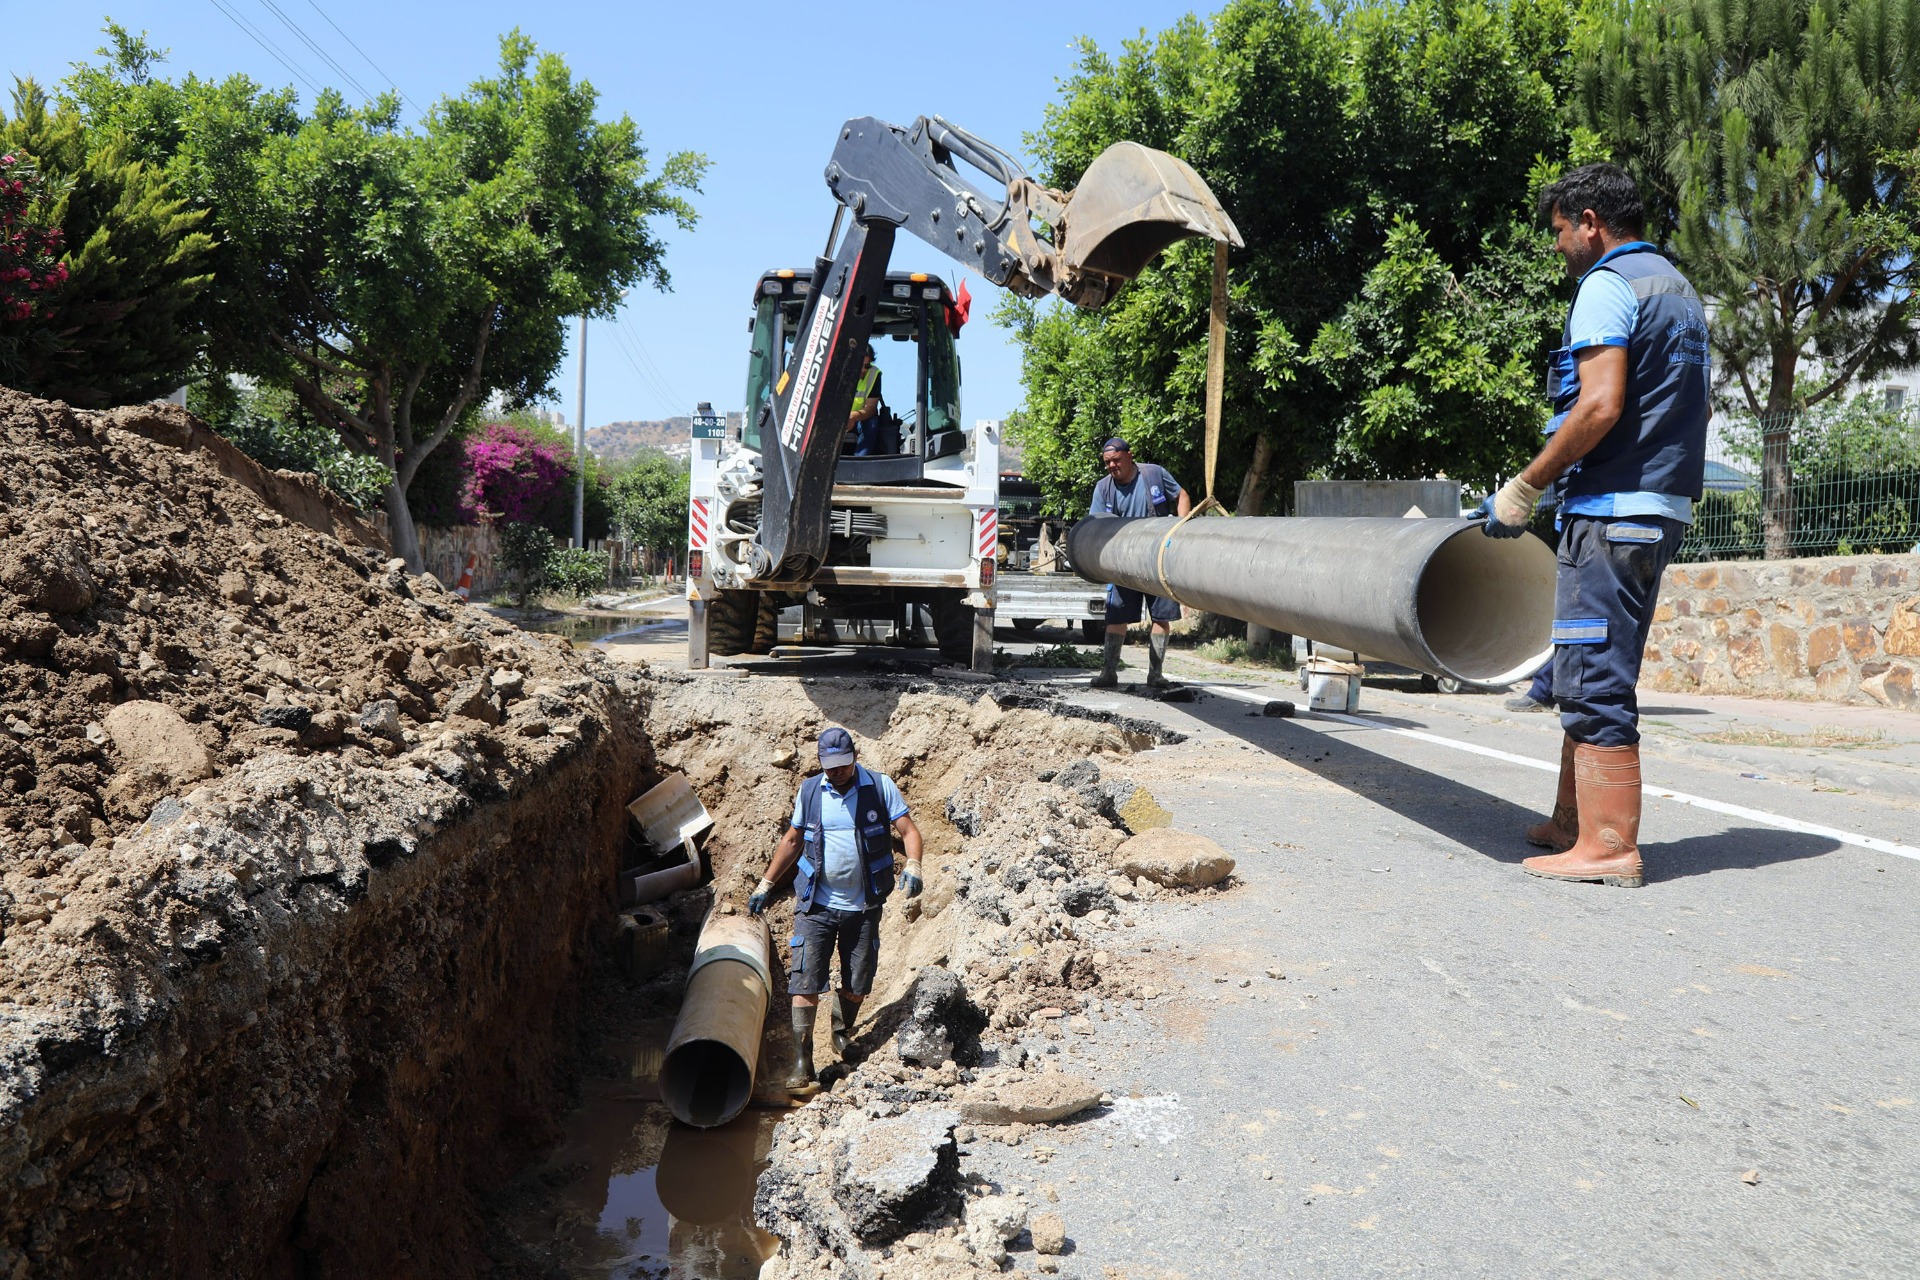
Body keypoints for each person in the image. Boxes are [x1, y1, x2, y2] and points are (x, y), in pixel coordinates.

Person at [1479, 162, 1710, 889]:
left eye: (1558, 232)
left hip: (1611, 512)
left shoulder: (1607, 285)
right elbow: (1694, 411)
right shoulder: (1678, 289)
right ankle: (1570, 821)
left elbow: (1600, 404)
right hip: (1660, 509)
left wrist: (1526, 486)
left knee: (1593, 678)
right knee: (1589, 670)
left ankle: (1608, 847)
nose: (1557, 248)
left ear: (1589, 221)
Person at [748, 726, 923, 1090]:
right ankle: (802, 1058)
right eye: (830, 766)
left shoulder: (878, 787)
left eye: (843, 765)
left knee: (858, 980)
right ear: (821, 763)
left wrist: (914, 865)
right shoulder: (811, 790)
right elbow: (793, 839)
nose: (837, 772)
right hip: (817, 904)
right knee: (805, 980)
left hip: (864, 906)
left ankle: (840, 1031)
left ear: (854, 757)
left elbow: (908, 830)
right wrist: (766, 882)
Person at [1086, 437, 1191, 688]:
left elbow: (1181, 495)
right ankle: (1109, 672)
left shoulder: (1154, 474)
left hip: (1157, 560)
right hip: (1123, 563)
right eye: (1108, 462)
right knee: (1116, 617)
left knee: (1160, 616)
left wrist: (1183, 529)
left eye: (1116, 460)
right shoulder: (1103, 488)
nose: (1112, 466)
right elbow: (1096, 523)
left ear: (1129, 456)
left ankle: (1156, 674)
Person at [845, 345, 885, 456]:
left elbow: (871, 408)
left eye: (867, 366)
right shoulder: (837, 372)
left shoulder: (874, 374)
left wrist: (853, 417)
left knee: (872, 424)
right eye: (859, 365)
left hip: (859, 419)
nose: (863, 370)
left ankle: (859, 462)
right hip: (837, 418)